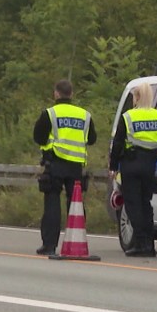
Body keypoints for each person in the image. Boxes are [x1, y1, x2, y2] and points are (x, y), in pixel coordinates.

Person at [108, 82, 157, 257]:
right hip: (150, 166)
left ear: (136, 97)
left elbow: (118, 143)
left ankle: (141, 243)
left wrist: (113, 166)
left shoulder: (128, 117)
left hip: (131, 165)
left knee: (133, 205)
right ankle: (149, 245)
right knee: (145, 204)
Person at [33, 79, 97, 255]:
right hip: (76, 166)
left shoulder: (50, 114)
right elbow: (92, 139)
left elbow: (38, 137)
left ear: (56, 93)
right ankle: (76, 240)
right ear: (72, 94)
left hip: (55, 164)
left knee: (52, 203)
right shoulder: (85, 115)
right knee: (75, 205)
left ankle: (49, 245)